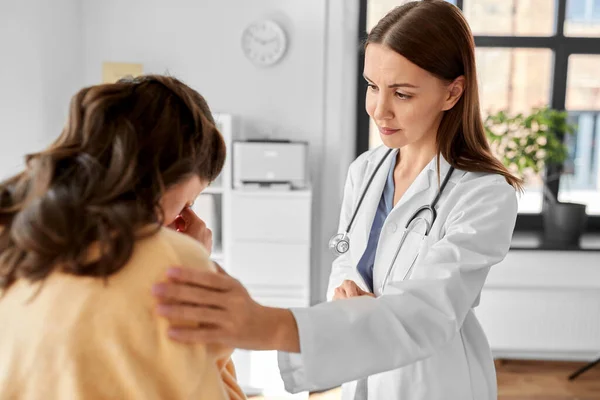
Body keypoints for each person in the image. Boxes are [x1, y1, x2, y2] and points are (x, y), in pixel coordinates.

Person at [152, 1, 522, 399]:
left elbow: (428, 312)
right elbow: (345, 258)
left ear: (452, 92)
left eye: (402, 93)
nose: (379, 110)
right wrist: (343, 315)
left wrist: (273, 323)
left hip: (428, 382)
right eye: (372, 86)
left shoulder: (484, 193)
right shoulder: (365, 172)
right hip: (354, 377)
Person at [0, 75, 245, 400]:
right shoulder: (174, 266)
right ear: (162, 179)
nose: (184, 217)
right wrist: (200, 271)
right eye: (187, 204)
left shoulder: (15, 235)